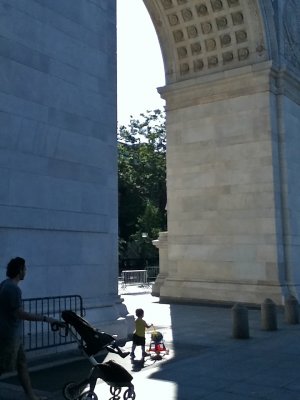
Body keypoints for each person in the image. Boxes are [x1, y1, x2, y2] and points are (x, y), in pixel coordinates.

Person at [0, 257, 63, 400]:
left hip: (11, 334)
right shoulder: (13, 289)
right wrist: (46, 319)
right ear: (19, 270)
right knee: (3, 366)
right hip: (9, 336)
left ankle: (31, 396)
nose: (26, 271)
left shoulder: (4, 284)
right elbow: (19, 313)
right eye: (24, 269)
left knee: (22, 364)